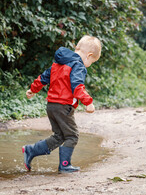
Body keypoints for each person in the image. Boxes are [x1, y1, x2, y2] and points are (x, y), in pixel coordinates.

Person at [22, 35, 101, 173]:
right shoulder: (78, 65)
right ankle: (64, 165)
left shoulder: (58, 62)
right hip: (63, 106)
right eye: (92, 61)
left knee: (59, 136)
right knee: (72, 135)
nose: (89, 64)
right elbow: (77, 86)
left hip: (51, 105)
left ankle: (31, 150)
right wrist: (88, 102)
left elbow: (44, 77)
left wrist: (33, 89)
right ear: (89, 55)